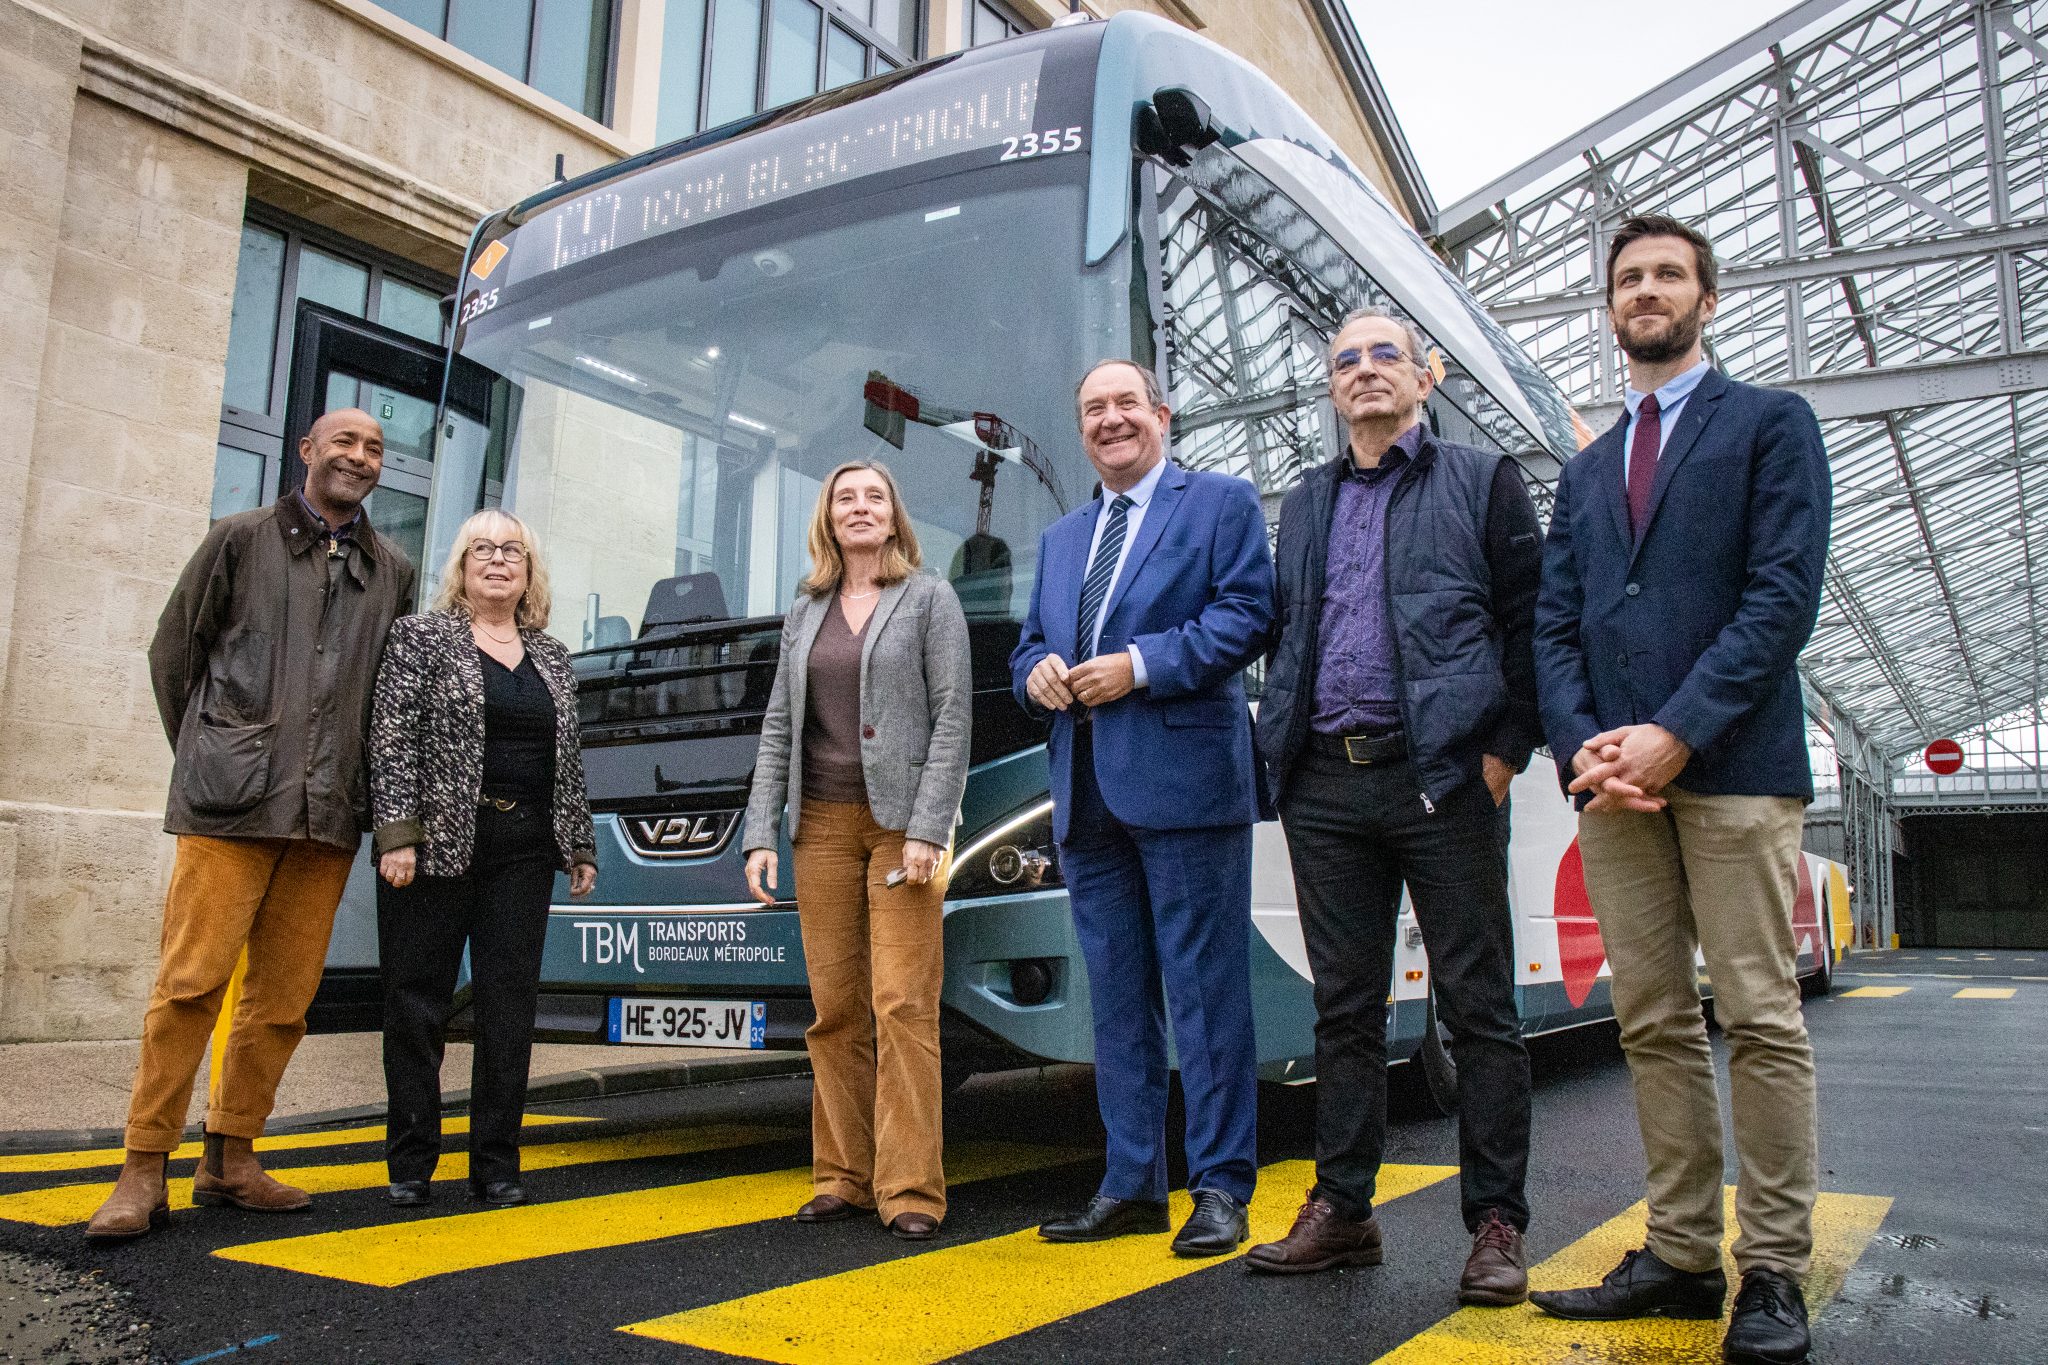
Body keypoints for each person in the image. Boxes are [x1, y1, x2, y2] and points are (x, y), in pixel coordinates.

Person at [1529, 213, 1831, 1365]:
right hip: (1612, 789)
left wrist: (1672, 735)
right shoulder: (1586, 467)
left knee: (1756, 1016)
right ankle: (1677, 1252)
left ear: (1706, 298)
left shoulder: (1767, 424)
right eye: (1624, 280)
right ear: (1608, 311)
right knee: (1648, 1020)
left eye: (1664, 275)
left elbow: (1778, 598)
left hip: (1733, 771)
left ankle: (1772, 1272)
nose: (1643, 292)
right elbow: (1554, 624)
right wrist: (1582, 749)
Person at [1249, 308, 1542, 1303]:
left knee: (1476, 1005)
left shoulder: (1480, 480)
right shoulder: (1305, 499)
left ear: (1427, 375)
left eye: (1384, 357)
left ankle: (1495, 1222)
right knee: (1343, 1008)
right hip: (1324, 782)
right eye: (1346, 362)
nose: (1365, 372)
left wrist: (1503, 753)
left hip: (1444, 777)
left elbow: (1527, 623)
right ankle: (1342, 1212)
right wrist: (1275, 759)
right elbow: (1288, 632)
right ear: (1330, 388)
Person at [86, 409, 417, 1242]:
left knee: (282, 1001)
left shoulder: (393, 571)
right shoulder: (238, 539)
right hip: (229, 810)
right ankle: (142, 1165)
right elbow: (174, 657)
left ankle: (232, 1157)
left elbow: (391, 700)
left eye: (375, 448)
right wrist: (216, 757)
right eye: (344, 441)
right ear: (306, 450)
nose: (359, 456)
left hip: (328, 815)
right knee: (191, 984)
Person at [1014, 359, 1275, 1258]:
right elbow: (1028, 646)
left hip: (1188, 785)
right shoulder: (1059, 538)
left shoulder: (1220, 504)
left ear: (1162, 414)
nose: (1111, 419)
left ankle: (1220, 1187)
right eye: (1094, 408)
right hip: (1086, 792)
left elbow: (1249, 614)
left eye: (1127, 403)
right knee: (1118, 1000)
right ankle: (1130, 1181)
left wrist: (1141, 664)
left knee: (1205, 994)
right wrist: (1035, 674)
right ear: (1081, 427)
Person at [742, 460, 971, 1242]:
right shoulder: (804, 611)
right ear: (828, 518)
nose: (861, 507)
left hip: (903, 826)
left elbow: (953, 719)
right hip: (822, 826)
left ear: (894, 514)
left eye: (874, 496)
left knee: (903, 1001)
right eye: (847, 497)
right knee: (835, 1008)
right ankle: (842, 1174)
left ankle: (910, 1185)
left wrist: (929, 829)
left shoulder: (931, 597)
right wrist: (758, 832)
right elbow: (779, 727)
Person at [369, 508, 598, 1209]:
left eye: (513, 551)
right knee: (417, 1002)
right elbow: (391, 735)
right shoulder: (421, 637)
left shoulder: (553, 655)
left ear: (528, 572)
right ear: (462, 566)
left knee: (508, 1008)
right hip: (434, 845)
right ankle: (412, 1161)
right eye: (483, 549)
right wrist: (397, 834)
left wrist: (578, 843)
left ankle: (496, 1163)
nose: (498, 560)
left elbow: (568, 761)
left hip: (523, 851)